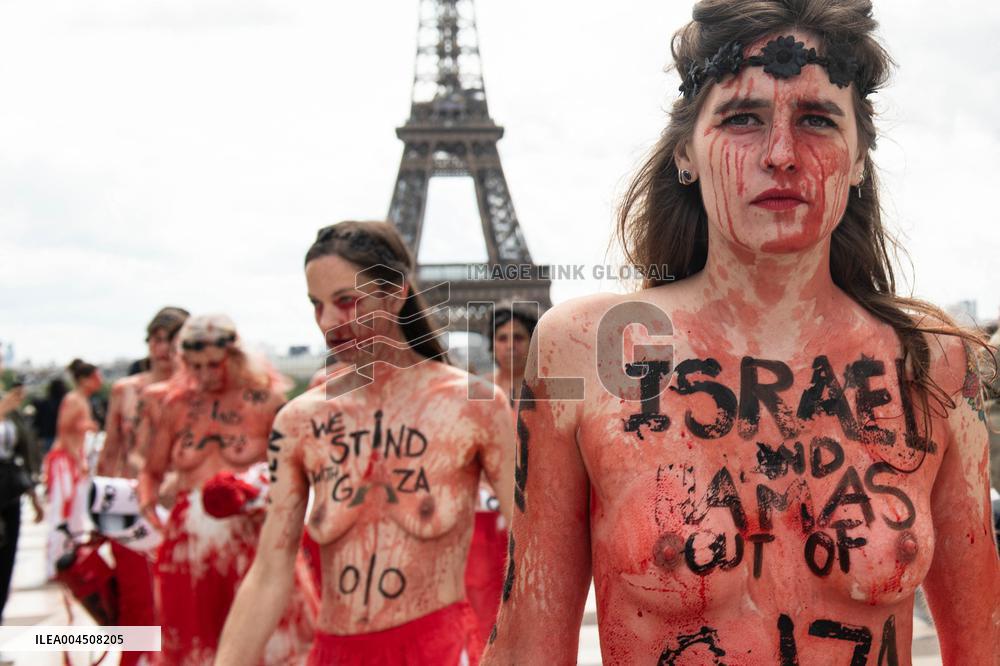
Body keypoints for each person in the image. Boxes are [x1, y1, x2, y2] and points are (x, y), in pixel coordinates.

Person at [484, 1, 999, 664]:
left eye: (816, 119)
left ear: (860, 158)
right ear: (685, 153)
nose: (780, 154)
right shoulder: (585, 349)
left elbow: (982, 646)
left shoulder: (934, 364)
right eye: (742, 118)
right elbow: (530, 641)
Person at [216, 220, 516, 666]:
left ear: (395, 294)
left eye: (346, 302)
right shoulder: (300, 420)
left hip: (440, 651)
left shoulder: (473, 407)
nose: (328, 322)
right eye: (317, 306)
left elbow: (534, 550)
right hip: (334, 653)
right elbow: (269, 572)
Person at [137, 315, 315, 666]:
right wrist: (149, 509)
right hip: (187, 545)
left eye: (213, 365)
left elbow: (297, 467)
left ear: (233, 356)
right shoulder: (175, 404)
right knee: (191, 642)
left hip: (254, 537)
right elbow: (151, 470)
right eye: (195, 366)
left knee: (267, 641)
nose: (204, 375)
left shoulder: (265, 400)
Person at [95, 306, 188, 666]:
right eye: (155, 338)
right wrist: (102, 514)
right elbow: (111, 451)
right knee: (138, 603)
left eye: (170, 339)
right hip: (132, 509)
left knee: (181, 602)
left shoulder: (196, 390)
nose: (161, 348)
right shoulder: (127, 390)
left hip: (180, 506)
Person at [463, 304, 539, 643]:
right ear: (492, 345)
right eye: (503, 338)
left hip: (537, 509)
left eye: (519, 337)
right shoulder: (475, 395)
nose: (511, 345)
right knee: (483, 598)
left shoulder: (554, 390)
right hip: (486, 516)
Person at [44, 359, 102, 578]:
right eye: (97, 376)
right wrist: (78, 462)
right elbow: (64, 430)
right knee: (62, 511)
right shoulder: (73, 399)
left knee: (76, 512)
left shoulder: (82, 400)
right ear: (85, 379)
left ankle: (71, 560)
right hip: (66, 462)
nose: (100, 381)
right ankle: (55, 562)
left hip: (76, 460)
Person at [0, 377, 44, 623]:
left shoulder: (7, 402)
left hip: (8, 488)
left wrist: (33, 494)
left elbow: (22, 453)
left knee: (6, 562)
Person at [30, 378, 68, 455]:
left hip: (47, 437)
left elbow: (38, 420)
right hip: (63, 438)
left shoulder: (46, 404)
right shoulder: (66, 404)